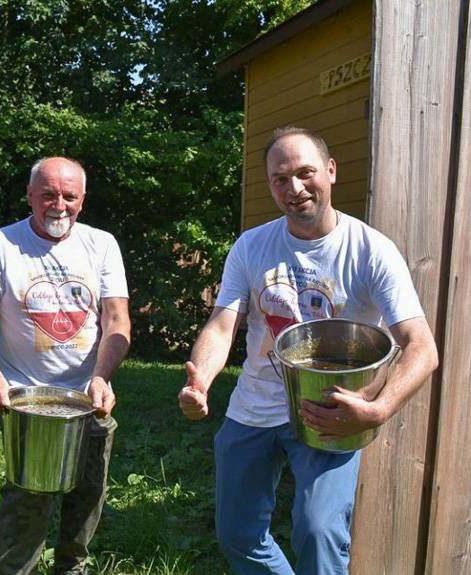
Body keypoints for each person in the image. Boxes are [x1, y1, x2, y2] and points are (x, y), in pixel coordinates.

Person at [178, 127, 439, 575]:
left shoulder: (371, 250)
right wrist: (200, 379)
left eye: (305, 173)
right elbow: (223, 324)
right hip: (254, 408)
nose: (294, 188)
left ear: (331, 172)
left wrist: (376, 410)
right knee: (238, 535)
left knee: (319, 534)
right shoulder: (251, 246)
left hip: (332, 411)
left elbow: (422, 347)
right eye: (280, 179)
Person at [0, 157, 131, 575]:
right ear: (30, 197)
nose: (59, 204)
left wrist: (102, 376)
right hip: (27, 396)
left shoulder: (102, 244)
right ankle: (12, 569)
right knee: (29, 494)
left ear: (83, 200)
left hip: (87, 395)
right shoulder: (1, 244)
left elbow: (116, 318)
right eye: (49, 194)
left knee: (89, 489)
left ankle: (71, 565)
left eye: (69, 196)